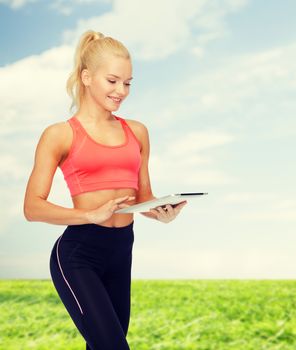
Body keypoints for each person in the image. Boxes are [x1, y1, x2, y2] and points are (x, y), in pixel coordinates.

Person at [23, 29, 188, 350]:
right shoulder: (59, 135)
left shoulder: (137, 132)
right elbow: (32, 207)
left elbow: (143, 198)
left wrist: (161, 212)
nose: (121, 91)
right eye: (112, 81)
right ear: (86, 77)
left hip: (121, 249)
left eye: (127, 83)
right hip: (79, 253)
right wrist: (89, 214)